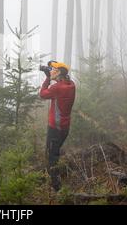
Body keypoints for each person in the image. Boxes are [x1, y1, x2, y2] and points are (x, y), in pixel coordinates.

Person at [39, 61, 76, 191]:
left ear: (59, 72)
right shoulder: (71, 85)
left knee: (51, 156)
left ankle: (56, 188)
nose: (50, 71)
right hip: (64, 128)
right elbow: (61, 86)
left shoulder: (57, 88)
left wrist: (48, 78)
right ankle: (56, 177)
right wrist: (51, 75)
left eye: (52, 69)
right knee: (55, 152)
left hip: (55, 128)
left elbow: (42, 94)